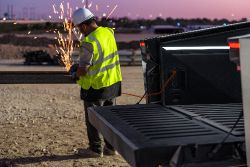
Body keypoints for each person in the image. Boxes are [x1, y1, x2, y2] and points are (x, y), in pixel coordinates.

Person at [71, 8, 122, 157]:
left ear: (84, 26)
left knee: (93, 120)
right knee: (110, 118)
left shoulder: (89, 42)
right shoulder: (108, 32)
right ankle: (111, 149)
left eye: (79, 28)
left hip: (95, 87)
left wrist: (75, 73)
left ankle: (95, 149)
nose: (80, 32)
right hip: (112, 83)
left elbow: (84, 70)